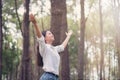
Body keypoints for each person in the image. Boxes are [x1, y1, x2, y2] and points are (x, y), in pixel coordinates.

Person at [29, 14, 72, 80]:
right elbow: (40, 37)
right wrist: (35, 23)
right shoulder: (44, 48)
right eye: (49, 33)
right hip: (48, 77)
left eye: (51, 33)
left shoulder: (54, 49)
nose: (52, 34)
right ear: (45, 38)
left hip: (55, 77)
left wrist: (68, 36)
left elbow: (62, 47)